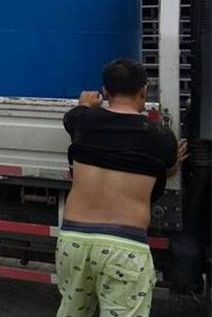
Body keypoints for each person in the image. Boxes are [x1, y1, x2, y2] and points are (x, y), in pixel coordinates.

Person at [56, 59, 187, 317]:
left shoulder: (82, 121)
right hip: (124, 246)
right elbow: (168, 170)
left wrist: (85, 105)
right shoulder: (160, 137)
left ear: (105, 91)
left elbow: (74, 116)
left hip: (74, 241)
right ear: (144, 90)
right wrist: (175, 160)